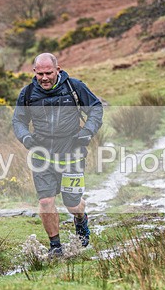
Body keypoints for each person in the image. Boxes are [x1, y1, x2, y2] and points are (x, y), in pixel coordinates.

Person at [12, 53, 103, 257]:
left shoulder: (74, 87)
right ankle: (56, 247)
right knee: (45, 201)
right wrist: (26, 137)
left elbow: (95, 108)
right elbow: (18, 120)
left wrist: (87, 131)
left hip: (72, 153)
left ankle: (81, 218)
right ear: (34, 72)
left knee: (72, 204)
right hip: (42, 155)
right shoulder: (27, 93)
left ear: (58, 69)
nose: (44, 78)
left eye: (49, 73)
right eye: (40, 74)